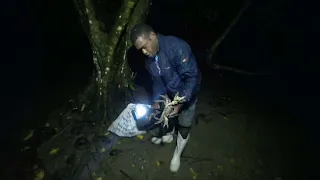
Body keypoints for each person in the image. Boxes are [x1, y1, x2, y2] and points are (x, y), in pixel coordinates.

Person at [130, 23, 201, 172]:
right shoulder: (150, 58)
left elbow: (192, 78)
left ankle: (177, 154)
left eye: (144, 46)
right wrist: (157, 101)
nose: (143, 52)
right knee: (165, 114)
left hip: (187, 94)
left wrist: (180, 102)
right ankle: (167, 134)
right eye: (140, 49)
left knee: (184, 126)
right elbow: (157, 81)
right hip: (169, 93)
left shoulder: (177, 47)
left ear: (153, 36)